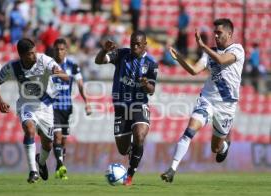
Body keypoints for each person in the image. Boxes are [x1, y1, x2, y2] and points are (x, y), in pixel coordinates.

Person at [161, 18, 245, 183]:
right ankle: (172, 169)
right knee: (189, 131)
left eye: (219, 32)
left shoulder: (237, 50)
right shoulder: (209, 53)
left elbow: (222, 60)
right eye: (215, 32)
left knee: (216, 148)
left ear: (229, 33)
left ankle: (225, 146)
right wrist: (179, 59)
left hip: (226, 107)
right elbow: (194, 70)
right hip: (207, 100)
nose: (216, 35)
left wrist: (203, 47)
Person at [0, 38, 68, 183]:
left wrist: (59, 73)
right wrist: (0, 101)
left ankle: (41, 162)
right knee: (29, 129)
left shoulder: (44, 60)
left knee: (48, 144)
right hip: (26, 105)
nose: (35, 55)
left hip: (45, 106)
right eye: (31, 53)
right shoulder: (12, 68)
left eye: (35, 51)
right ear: (22, 55)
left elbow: (66, 77)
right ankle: (33, 171)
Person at [95, 31, 158, 186]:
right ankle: (133, 151)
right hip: (121, 107)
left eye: (138, 44)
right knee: (122, 150)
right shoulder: (122, 54)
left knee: (140, 135)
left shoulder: (151, 63)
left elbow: (152, 89)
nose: (134, 46)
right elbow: (99, 61)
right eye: (132, 43)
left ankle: (130, 174)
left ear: (145, 45)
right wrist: (104, 50)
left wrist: (145, 84)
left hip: (139, 104)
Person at [51, 38, 92, 180]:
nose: (59, 52)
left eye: (62, 49)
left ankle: (59, 166)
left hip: (66, 108)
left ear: (66, 50)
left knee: (63, 140)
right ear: (53, 50)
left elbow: (80, 84)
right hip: (52, 107)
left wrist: (87, 102)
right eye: (57, 49)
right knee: (57, 136)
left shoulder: (72, 65)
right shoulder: (48, 65)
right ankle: (61, 164)